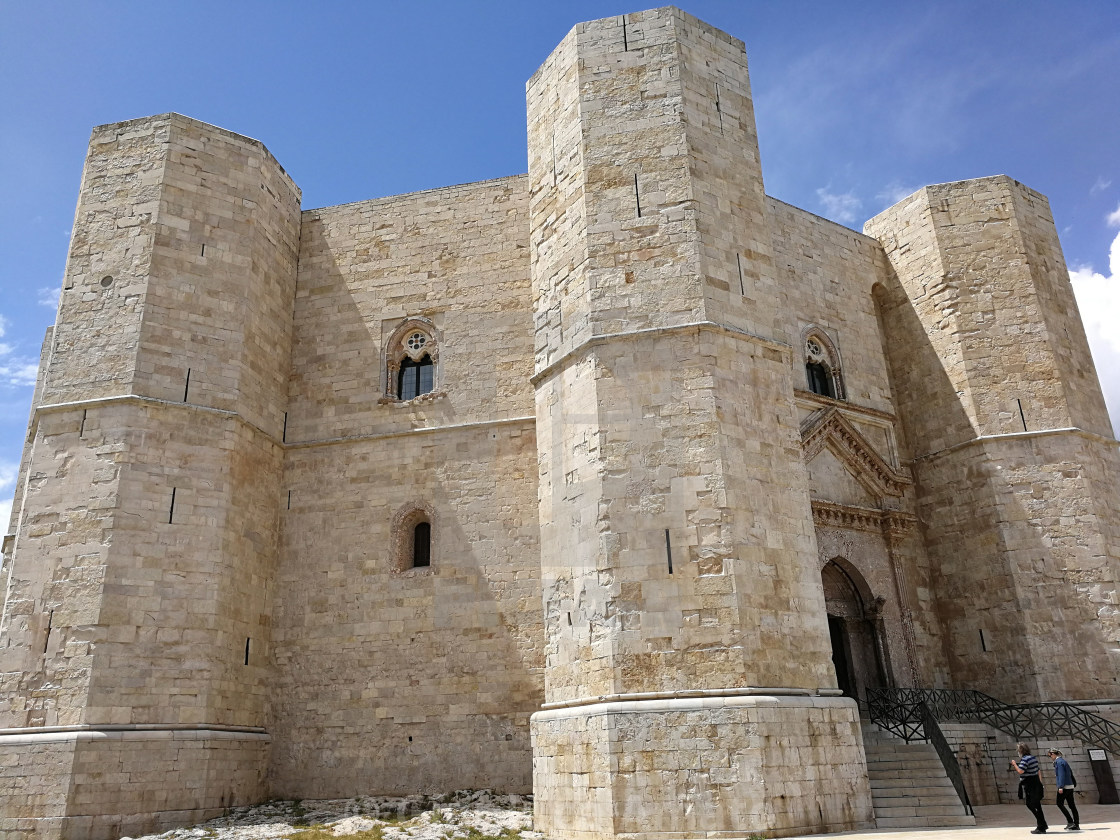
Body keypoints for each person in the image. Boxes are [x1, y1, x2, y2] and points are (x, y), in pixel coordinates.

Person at [1011, 742, 1048, 833]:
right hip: (1035, 783)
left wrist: (1014, 764)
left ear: (1021, 751)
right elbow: (1037, 770)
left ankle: (1041, 825)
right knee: (1037, 805)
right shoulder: (1033, 758)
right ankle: (1042, 824)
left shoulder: (1025, 760)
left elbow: (1020, 771)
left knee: (1031, 804)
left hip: (1030, 784)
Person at [1048, 749, 1080, 831]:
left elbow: (1061, 775)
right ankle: (1076, 824)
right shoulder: (1063, 761)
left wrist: (1061, 787)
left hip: (1064, 786)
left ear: (1053, 754)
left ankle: (1070, 822)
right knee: (1072, 805)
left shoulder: (1059, 762)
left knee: (1059, 803)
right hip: (1070, 785)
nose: (1050, 757)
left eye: (1050, 755)